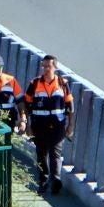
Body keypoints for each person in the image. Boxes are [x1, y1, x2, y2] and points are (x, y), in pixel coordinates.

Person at [25, 55, 74, 195]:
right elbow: (27, 104)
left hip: (57, 125)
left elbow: (70, 106)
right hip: (39, 125)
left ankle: (55, 181)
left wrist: (71, 125)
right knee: (41, 154)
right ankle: (43, 180)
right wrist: (28, 124)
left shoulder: (63, 84)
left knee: (55, 153)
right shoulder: (34, 84)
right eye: (44, 66)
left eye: (49, 66)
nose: (46, 69)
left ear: (55, 67)